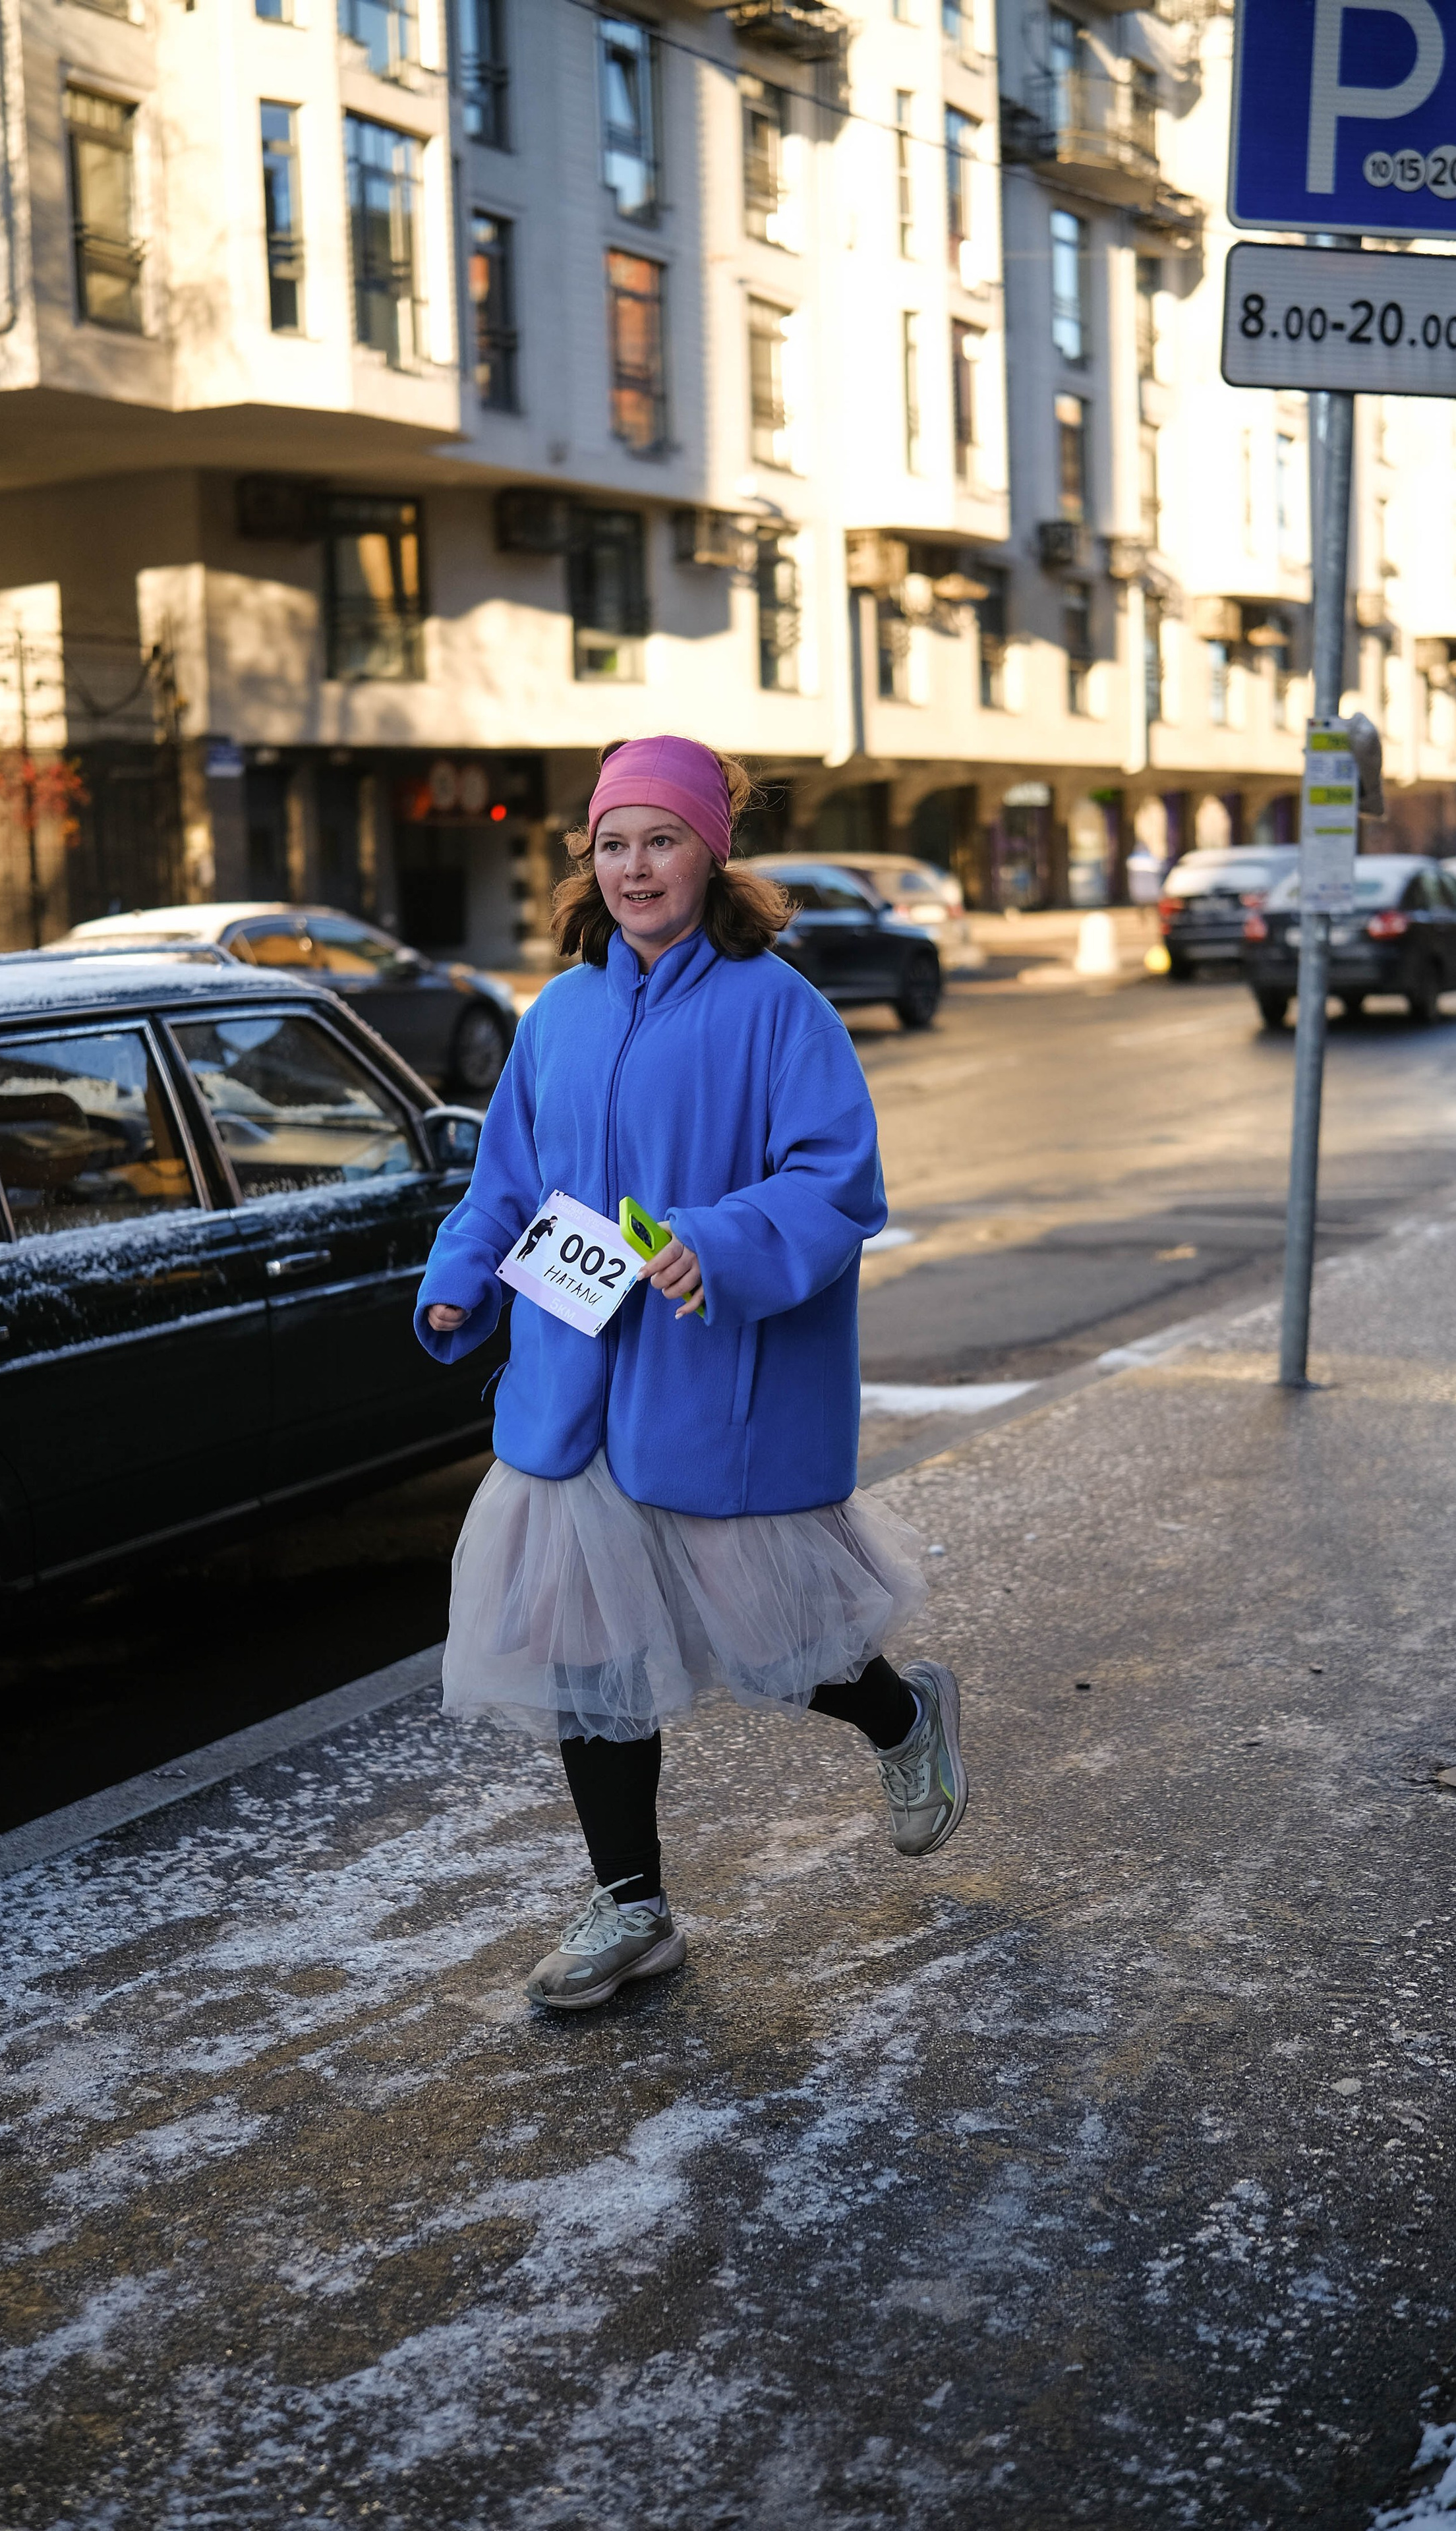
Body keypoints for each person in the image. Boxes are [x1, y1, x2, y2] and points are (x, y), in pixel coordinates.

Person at [415, 736, 966, 2010]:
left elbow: (839, 1181)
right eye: (612, 844)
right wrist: (457, 1277)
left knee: (783, 1635)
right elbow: (508, 1178)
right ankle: (633, 1909)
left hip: (713, 1379)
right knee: (580, 1654)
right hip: (572, 1385)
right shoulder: (560, 1014)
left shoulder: (778, 1006)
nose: (634, 866)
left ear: (712, 855)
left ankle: (905, 1720)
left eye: (660, 839)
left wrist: (714, 1246)